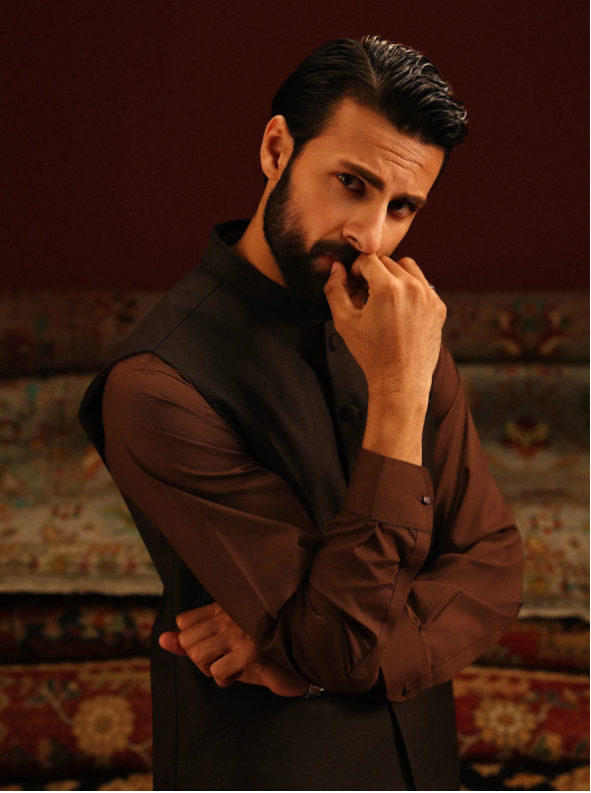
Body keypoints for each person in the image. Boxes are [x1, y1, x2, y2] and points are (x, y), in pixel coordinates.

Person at [79, 36, 524, 791]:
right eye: (351, 183)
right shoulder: (155, 387)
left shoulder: (404, 325)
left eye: (401, 207)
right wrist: (398, 397)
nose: (370, 236)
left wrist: (310, 660)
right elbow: (338, 644)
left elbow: (494, 562)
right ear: (276, 148)